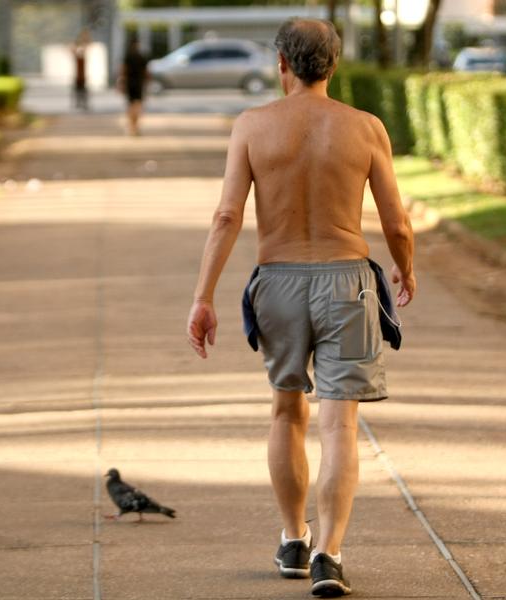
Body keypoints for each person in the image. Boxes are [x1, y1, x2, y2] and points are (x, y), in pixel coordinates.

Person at [185, 18, 415, 598]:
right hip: (347, 284)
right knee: (340, 424)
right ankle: (328, 556)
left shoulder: (252, 126)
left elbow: (226, 216)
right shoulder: (365, 128)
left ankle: (292, 538)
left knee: (287, 412)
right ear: (332, 66)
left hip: (278, 281)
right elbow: (395, 221)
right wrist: (405, 266)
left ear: (281, 64)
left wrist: (204, 295)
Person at [118, 39, 150, 135]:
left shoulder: (127, 56)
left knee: (130, 105)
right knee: (138, 105)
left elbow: (123, 71)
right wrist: (147, 83)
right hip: (139, 83)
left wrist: (121, 83)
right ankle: (135, 126)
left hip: (130, 83)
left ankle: (132, 126)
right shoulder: (142, 57)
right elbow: (146, 73)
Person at [72, 31, 89, 111]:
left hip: (82, 77)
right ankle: (79, 103)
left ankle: (83, 103)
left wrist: (84, 38)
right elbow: (73, 50)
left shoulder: (82, 58)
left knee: (83, 91)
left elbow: (86, 47)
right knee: (78, 91)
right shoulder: (78, 58)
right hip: (78, 77)